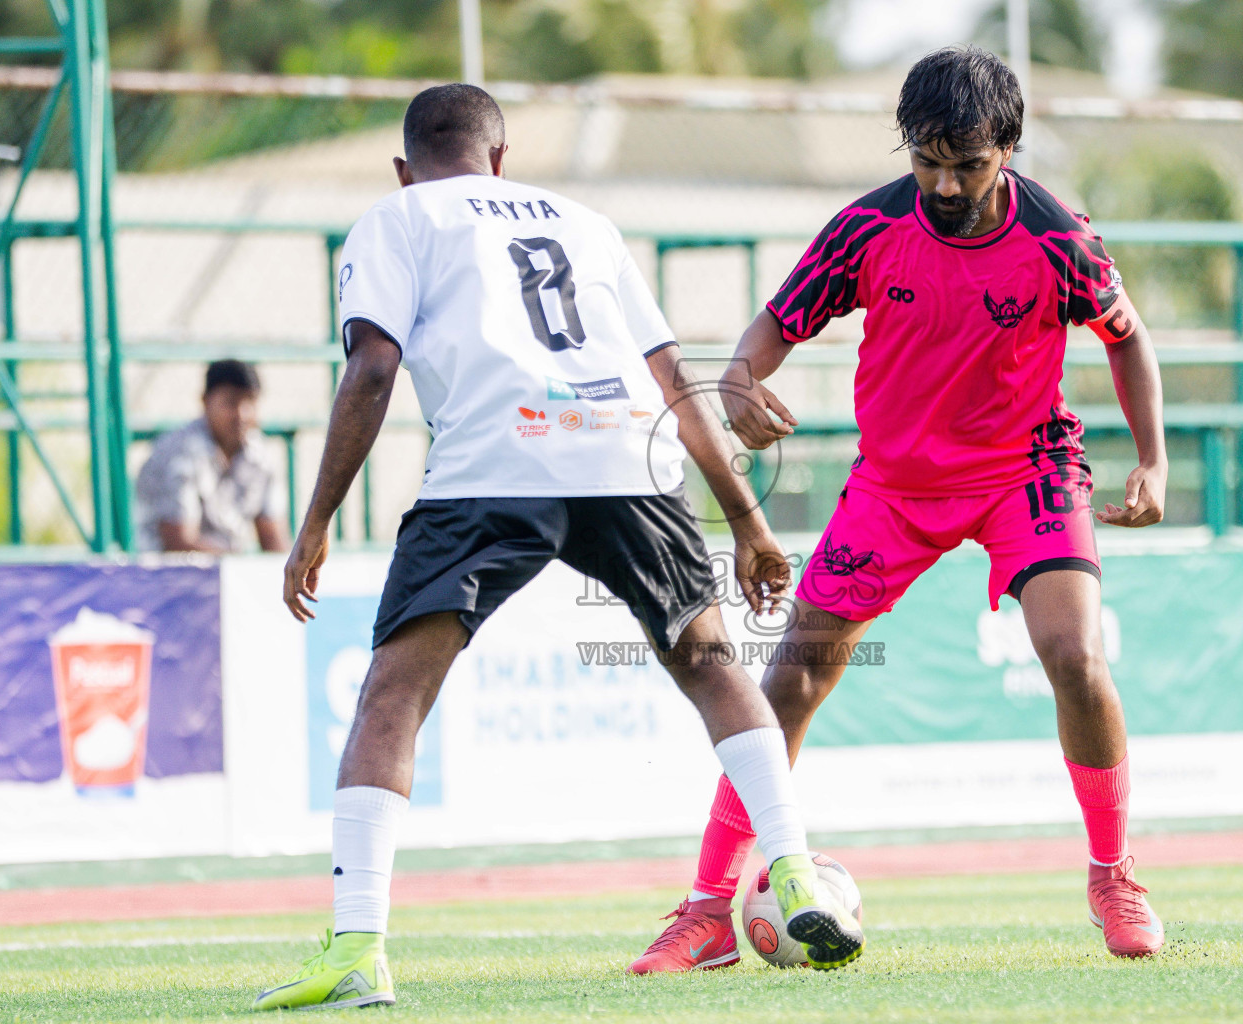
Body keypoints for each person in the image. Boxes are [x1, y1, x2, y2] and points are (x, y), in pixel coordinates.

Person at [252, 84, 863, 1011]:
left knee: (395, 692)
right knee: (711, 664)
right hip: (622, 452)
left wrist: (316, 520)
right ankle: (794, 871)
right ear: (501, 159)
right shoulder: (585, 222)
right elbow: (671, 379)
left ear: (405, 166)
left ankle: (356, 949)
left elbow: (373, 367)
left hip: (492, 462)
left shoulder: (398, 216)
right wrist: (746, 518)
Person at [631, 46, 1169, 974]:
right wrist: (740, 381)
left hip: (1024, 471)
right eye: (927, 161)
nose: (945, 182)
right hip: (895, 483)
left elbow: (1129, 339)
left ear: (1007, 147)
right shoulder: (869, 228)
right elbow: (770, 330)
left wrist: (1152, 460)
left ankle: (1115, 875)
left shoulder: (1061, 240)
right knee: (790, 681)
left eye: (967, 162)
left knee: (1076, 655)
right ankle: (711, 906)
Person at [135, 359, 288, 554]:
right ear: (205, 401)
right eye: (230, 402)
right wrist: (241, 569)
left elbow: (274, 539)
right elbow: (178, 543)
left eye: (249, 401)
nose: (241, 414)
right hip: (168, 577)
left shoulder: (260, 455)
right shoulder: (178, 453)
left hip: (230, 572)